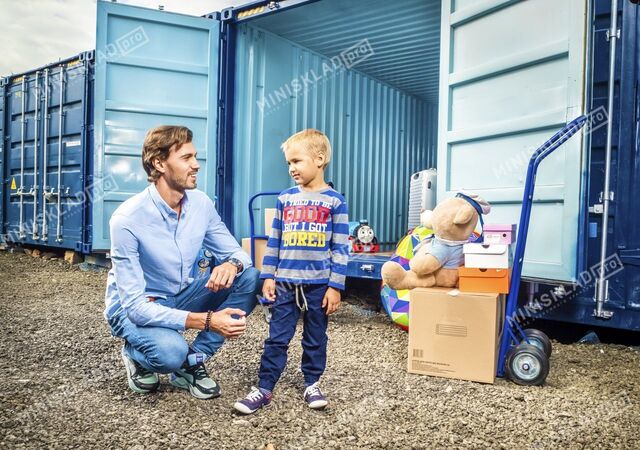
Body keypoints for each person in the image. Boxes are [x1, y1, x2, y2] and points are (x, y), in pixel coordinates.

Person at [104, 125, 260, 399]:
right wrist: (209, 321)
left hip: (179, 294)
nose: (196, 165)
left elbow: (241, 255)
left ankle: (193, 361)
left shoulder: (200, 204)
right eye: (186, 158)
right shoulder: (127, 219)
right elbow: (136, 308)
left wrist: (231, 264)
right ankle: (136, 354)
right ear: (159, 163)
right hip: (137, 306)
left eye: (195, 157)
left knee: (250, 277)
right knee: (169, 353)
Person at [233, 129, 349, 414]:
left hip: (319, 285)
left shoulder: (335, 202)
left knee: (315, 337)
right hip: (284, 283)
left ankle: (312, 383)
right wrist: (268, 276)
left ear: (319, 159)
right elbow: (275, 242)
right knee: (277, 337)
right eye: (288, 163)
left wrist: (335, 286)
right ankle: (264, 386)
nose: (291, 168)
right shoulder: (285, 199)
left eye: (297, 161)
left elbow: (341, 247)